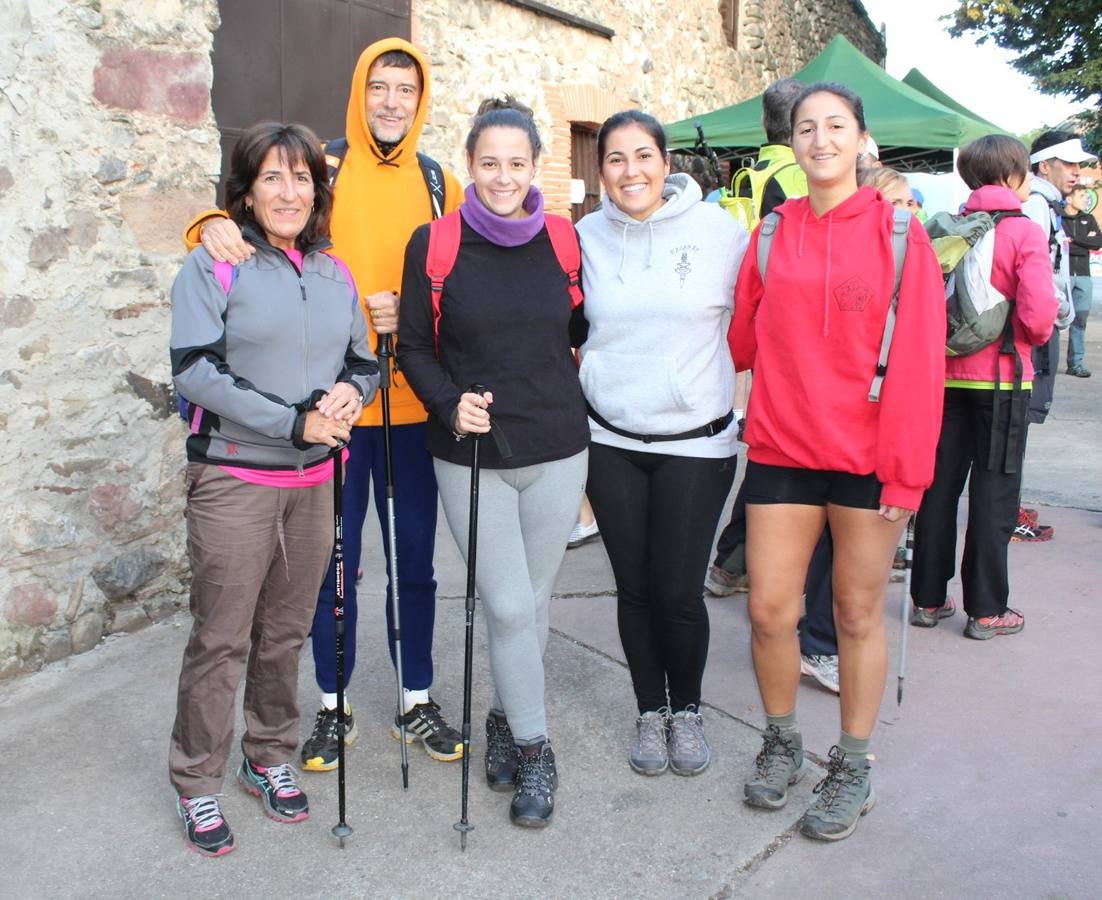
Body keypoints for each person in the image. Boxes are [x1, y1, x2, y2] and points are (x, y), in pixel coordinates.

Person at [189, 39, 466, 771]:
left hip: (411, 407)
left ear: (421, 101)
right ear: (358, 90)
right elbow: (255, 220)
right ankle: (332, 704)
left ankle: (416, 698)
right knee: (330, 571)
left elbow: (466, 277)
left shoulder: (439, 182)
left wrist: (412, 311)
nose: (391, 102)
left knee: (415, 564)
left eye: (406, 89)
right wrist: (206, 224)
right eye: (379, 86)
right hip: (331, 416)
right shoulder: (322, 166)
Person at [730, 82, 944, 841]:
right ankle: (782, 741)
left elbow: (921, 360)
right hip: (783, 448)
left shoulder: (900, 231)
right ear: (790, 141)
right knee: (769, 612)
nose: (820, 140)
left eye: (835, 126)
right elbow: (743, 341)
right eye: (806, 128)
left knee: (855, 614)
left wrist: (909, 473)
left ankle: (853, 765)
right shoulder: (771, 231)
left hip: (869, 458)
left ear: (861, 139)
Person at [168, 122, 379, 857]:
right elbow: (195, 371)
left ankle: (267, 755)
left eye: (302, 178)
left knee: (286, 632)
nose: (289, 193)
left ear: (318, 191)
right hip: (234, 477)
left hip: (315, 482)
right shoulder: (215, 263)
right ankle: (196, 781)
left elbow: (363, 362)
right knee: (222, 637)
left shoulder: (334, 273)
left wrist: (353, 395)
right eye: (272, 178)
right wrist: (294, 423)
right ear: (247, 191)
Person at [398, 98, 589, 828]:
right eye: (489, 163)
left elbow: (583, 326)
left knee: (532, 603)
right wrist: (450, 404)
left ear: (536, 165)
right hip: (470, 453)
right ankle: (539, 749)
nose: (503, 177)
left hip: (559, 448)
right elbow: (414, 346)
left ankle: (506, 720)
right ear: (469, 165)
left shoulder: (565, 240)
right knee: (508, 604)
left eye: (516, 163)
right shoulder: (436, 243)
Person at [574, 110, 748, 778]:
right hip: (610, 438)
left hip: (695, 444)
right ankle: (650, 710)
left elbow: (758, 322)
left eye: (643, 155)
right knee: (635, 590)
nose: (631, 171)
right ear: (601, 170)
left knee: (677, 591)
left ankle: (688, 711)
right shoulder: (584, 237)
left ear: (666, 163)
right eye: (615, 159)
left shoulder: (719, 234)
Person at [911, 135, 1058, 641]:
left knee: (938, 489)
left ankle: (928, 599)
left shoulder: (947, 227)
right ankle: (987, 609)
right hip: (1003, 379)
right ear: (1013, 175)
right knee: (995, 494)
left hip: (942, 376)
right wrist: (1031, 338)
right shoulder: (1024, 231)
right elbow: (1039, 316)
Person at [706, 77, 807, 600]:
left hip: (746, 311)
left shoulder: (748, 171)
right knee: (781, 454)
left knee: (769, 449)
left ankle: (732, 561)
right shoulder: (799, 176)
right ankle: (738, 560)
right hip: (789, 327)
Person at [1009, 130, 1090, 540]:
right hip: (1035, 330)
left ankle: (1008, 507)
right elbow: (1038, 275)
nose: (1076, 172)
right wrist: (1057, 314)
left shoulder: (1046, 205)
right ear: (1044, 166)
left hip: (1038, 326)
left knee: (1020, 422)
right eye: (1068, 163)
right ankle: (1008, 512)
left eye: (1079, 165)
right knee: (1018, 422)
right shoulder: (1037, 206)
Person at [1062, 185, 1101, 377]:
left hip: (1084, 276)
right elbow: (1060, 244)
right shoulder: (1059, 218)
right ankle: (1044, 364)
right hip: (1063, 276)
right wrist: (1084, 241)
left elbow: (1097, 243)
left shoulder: (1089, 218)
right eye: (1081, 195)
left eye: (1086, 195)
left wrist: (1073, 240)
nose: (1086, 199)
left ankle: (1075, 364)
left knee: (1080, 321)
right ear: (1069, 199)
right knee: (1052, 321)